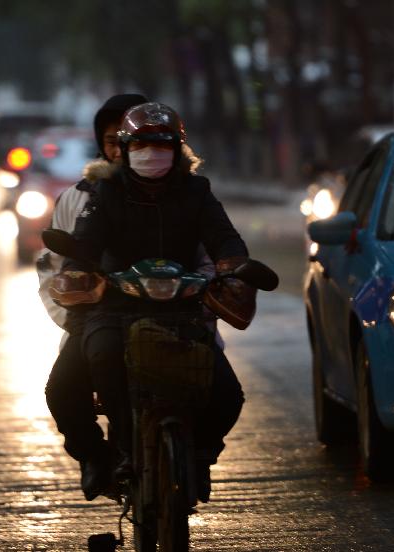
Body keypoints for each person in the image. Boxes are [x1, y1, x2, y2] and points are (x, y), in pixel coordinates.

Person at [53, 102, 250, 503]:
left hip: (181, 309)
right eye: (141, 144)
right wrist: (77, 269)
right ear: (122, 150)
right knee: (69, 383)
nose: (151, 152)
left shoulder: (197, 191)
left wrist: (234, 268)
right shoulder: (106, 191)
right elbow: (85, 242)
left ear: (178, 149)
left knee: (228, 396)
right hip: (113, 306)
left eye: (161, 144)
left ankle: (198, 456)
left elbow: (224, 237)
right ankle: (109, 454)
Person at [37, 93, 149, 500]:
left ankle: (194, 459)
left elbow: (211, 257)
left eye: (134, 138)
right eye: (112, 139)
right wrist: (75, 315)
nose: (122, 148)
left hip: (177, 317)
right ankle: (95, 457)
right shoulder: (80, 198)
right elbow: (56, 268)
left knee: (222, 394)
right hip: (96, 322)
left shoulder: (186, 192)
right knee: (63, 391)